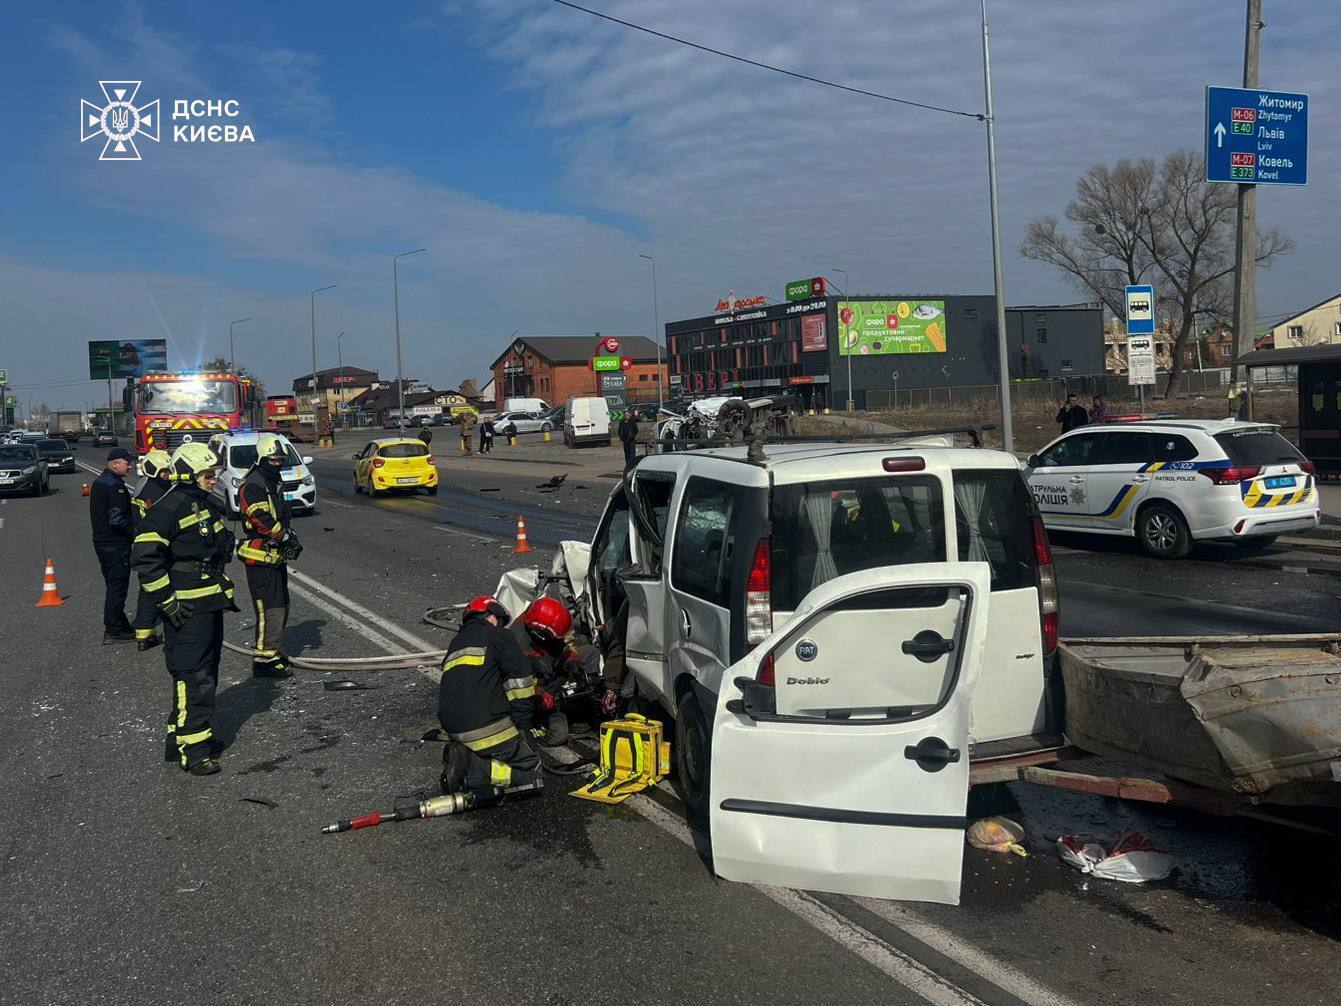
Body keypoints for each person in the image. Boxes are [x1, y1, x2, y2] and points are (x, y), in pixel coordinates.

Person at [131, 443, 237, 776]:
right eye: (208, 475)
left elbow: (220, 543)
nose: (213, 479)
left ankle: (181, 738)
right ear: (190, 475)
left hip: (208, 603)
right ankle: (194, 750)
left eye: (214, 474)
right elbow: (145, 560)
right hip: (186, 608)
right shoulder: (168, 508)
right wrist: (168, 602)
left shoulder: (201, 504)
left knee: (207, 671)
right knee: (193, 676)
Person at [438, 596, 544, 800]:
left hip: (453, 731)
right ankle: (475, 770)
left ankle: (466, 756)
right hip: (487, 730)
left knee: (489, 747)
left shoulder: (455, 644)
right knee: (533, 774)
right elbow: (520, 684)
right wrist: (523, 726)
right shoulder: (499, 635)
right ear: (493, 615)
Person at [237, 433, 298, 678]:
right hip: (260, 557)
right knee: (269, 608)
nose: (277, 464)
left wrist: (289, 535)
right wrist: (282, 535)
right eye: (273, 460)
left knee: (282, 605)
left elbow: (279, 513)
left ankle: (272, 651)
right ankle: (263, 661)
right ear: (261, 459)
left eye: (280, 460)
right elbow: (259, 518)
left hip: (274, 556)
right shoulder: (253, 485)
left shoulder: (270, 482)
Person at [90, 447, 138, 644]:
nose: (131, 466)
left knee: (113, 584)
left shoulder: (101, 482)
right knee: (117, 587)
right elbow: (117, 519)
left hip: (102, 541)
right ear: (115, 464)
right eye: (127, 463)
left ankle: (120, 624)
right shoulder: (114, 486)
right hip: (114, 543)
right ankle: (114, 630)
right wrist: (135, 531)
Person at [130, 449, 174, 651]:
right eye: (164, 471)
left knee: (147, 589)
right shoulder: (155, 491)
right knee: (157, 587)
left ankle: (144, 633)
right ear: (154, 470)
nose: (168, 475)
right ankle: (156, 630)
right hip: (156, 545)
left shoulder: (143, 485)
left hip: (146, 543)